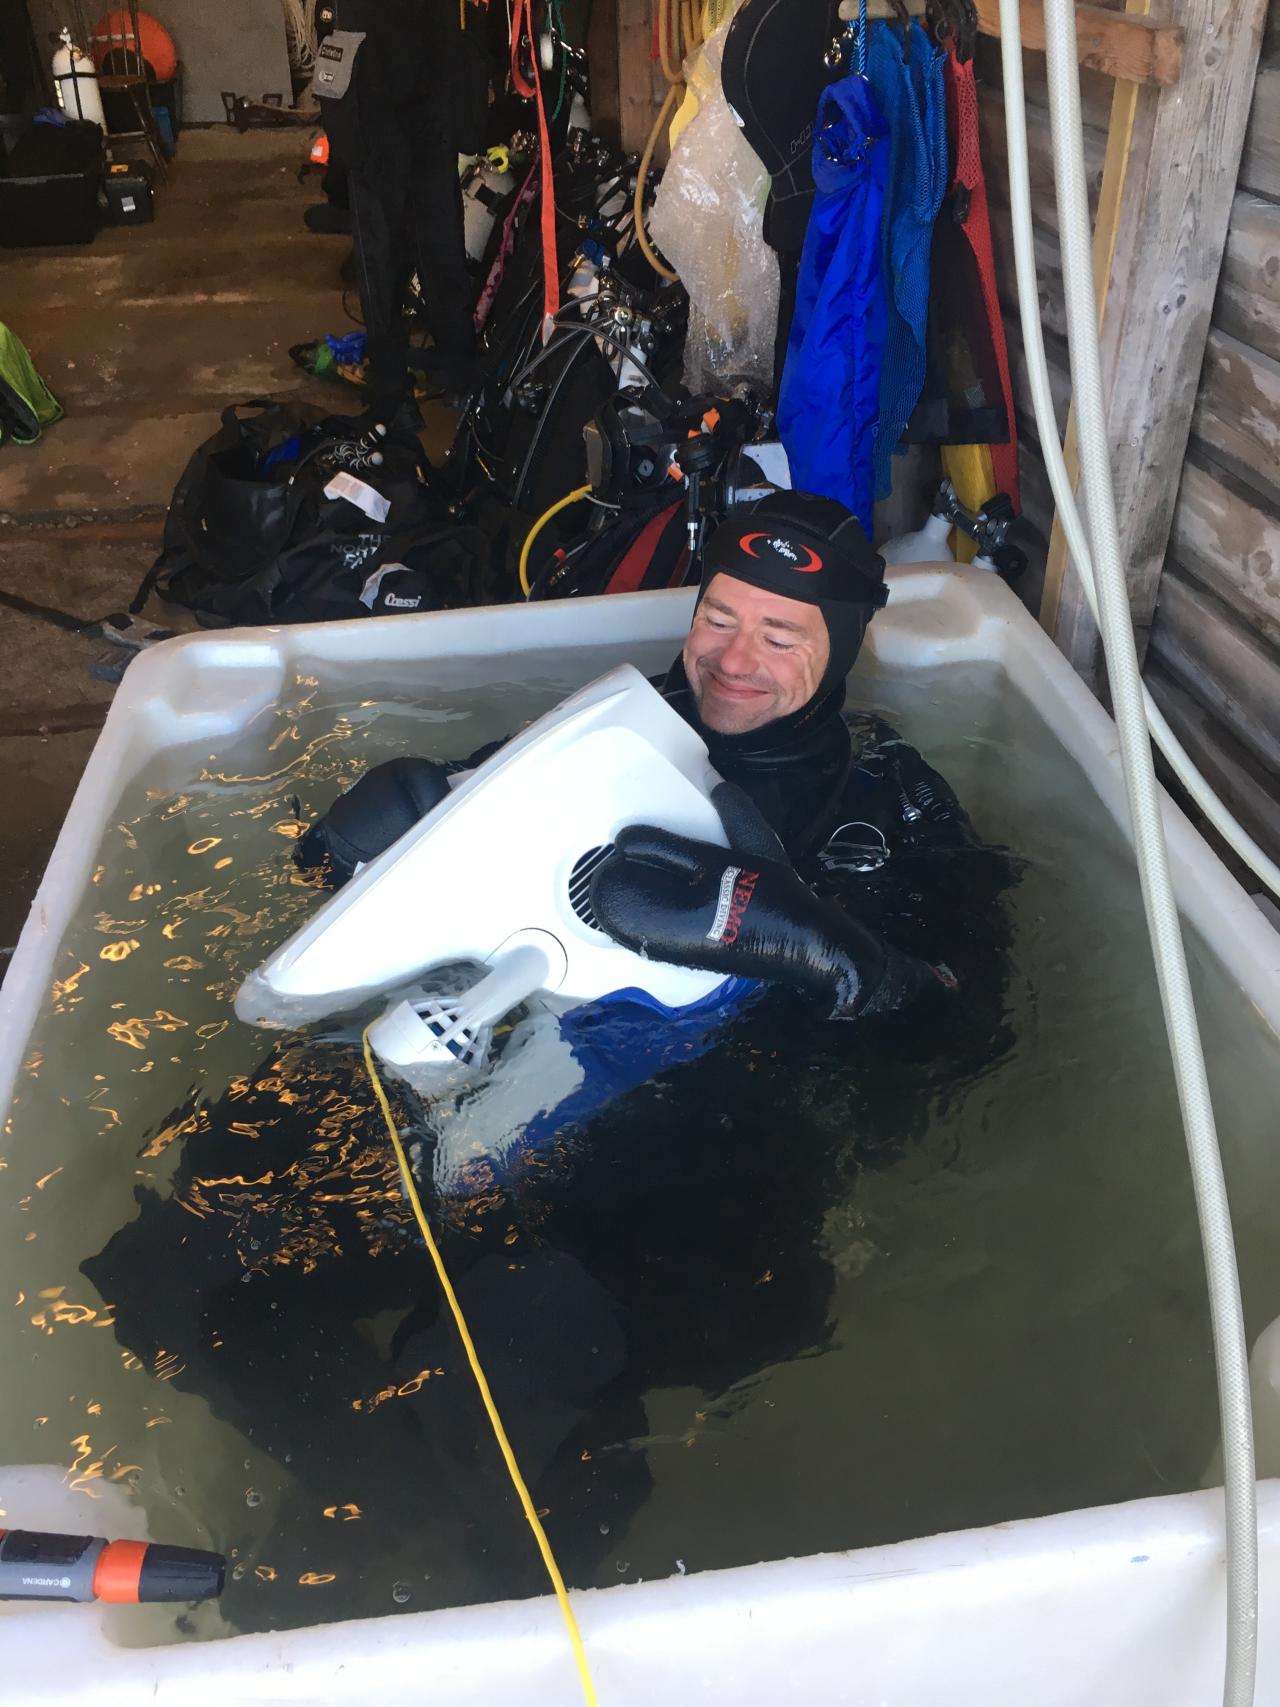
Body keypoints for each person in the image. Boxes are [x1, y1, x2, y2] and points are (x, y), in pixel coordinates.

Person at [313, 0, 480, 425]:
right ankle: (394, 386)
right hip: (375, 83)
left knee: (436, 236)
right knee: (384, 247)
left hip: (428, 74)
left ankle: (456, 369)